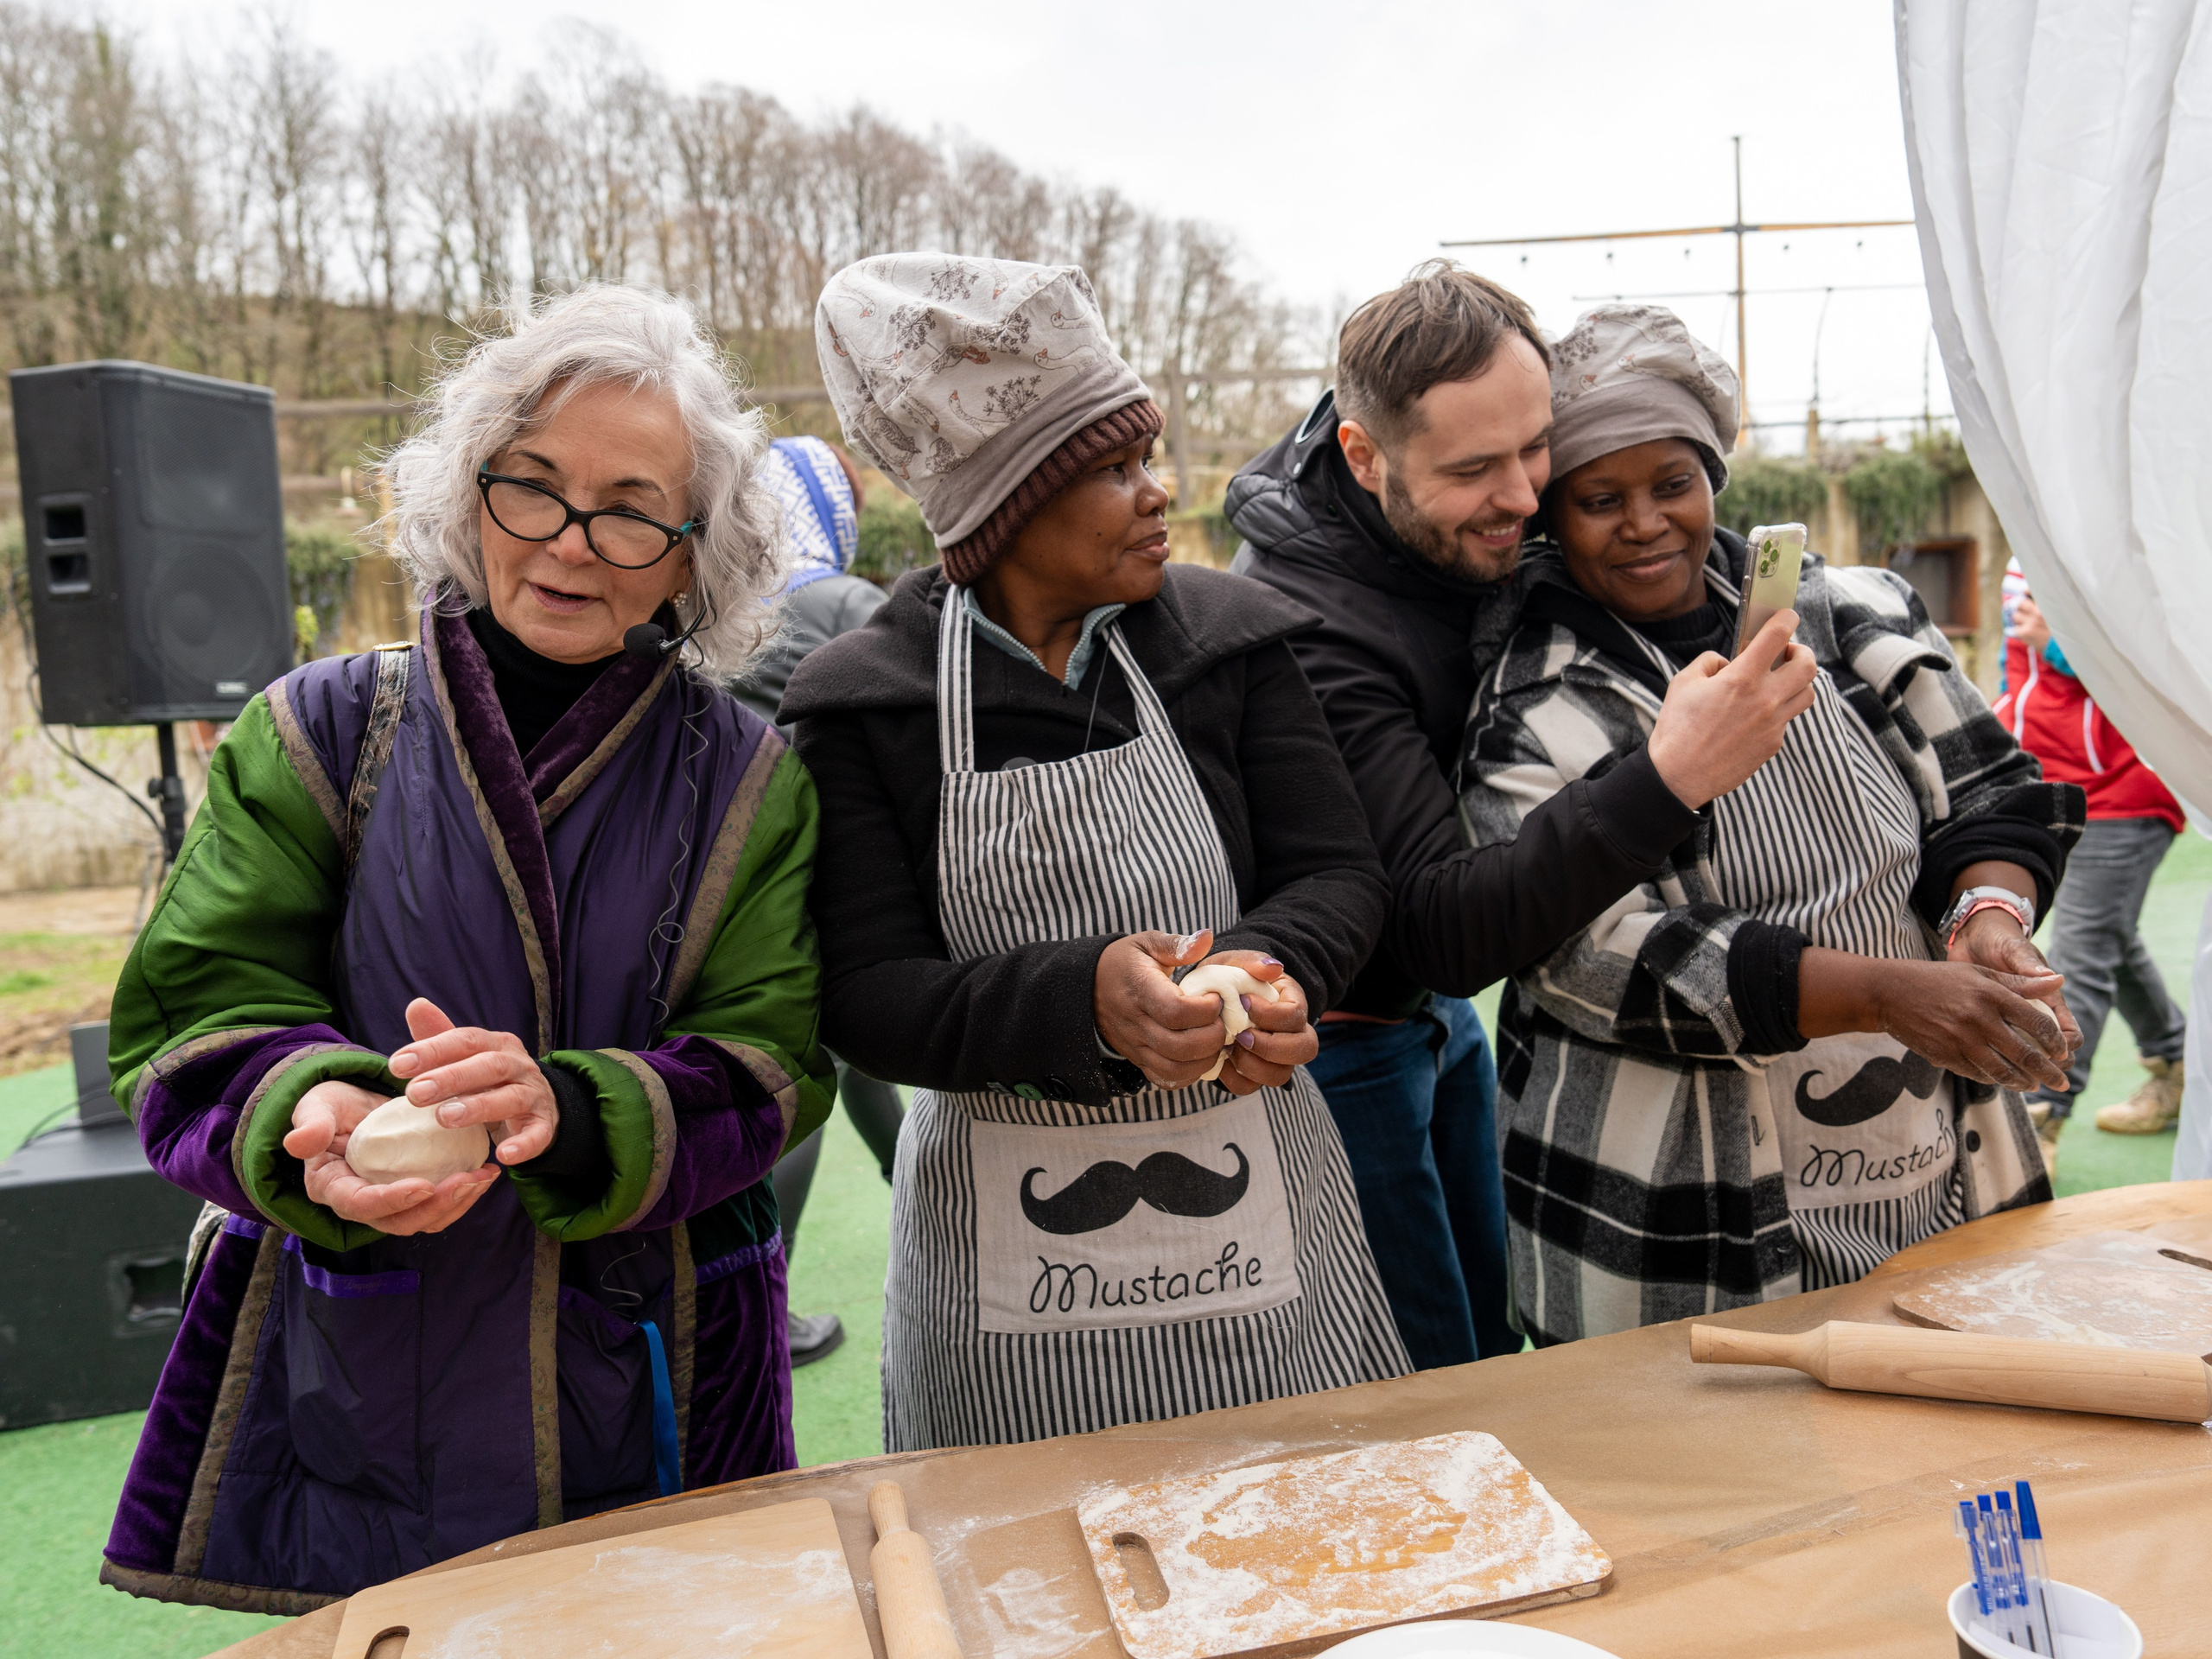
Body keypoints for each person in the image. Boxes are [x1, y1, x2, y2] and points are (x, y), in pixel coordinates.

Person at [99, 285, 833, 1612]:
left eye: (630, 508)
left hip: (648, 1337)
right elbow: (194, 1016)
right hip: (376, 1332)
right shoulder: (320, 729)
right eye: (531, 486)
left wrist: (572, 1105)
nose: (570, 541)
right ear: (469, 491)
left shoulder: (747, 777)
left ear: (690, 551)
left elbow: (772, 1064)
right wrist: (311, 1111)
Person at [784, 253, 1408, 1452]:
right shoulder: (865, 704)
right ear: (1009, 503)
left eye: (1147, 457)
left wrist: (1268, 974)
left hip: (1261, 1238)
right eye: (1116, 469)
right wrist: (1076, 1003)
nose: (1159, 492)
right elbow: (864, 995)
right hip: (1005, 1288)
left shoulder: (1232, 641)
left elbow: (1340, 876)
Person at [1229, 264, 1818, 1367]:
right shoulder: (1306, 629)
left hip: (1440, 1024)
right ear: (1362, 455)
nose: (1521, 496)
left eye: (1534, 448)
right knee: (1424, 1381)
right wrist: (1665, 777)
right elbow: (1442, 930)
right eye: (1473, 469)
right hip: (1340, 1034)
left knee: (1503, 1330)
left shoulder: (1450, 525)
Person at [1460, 304, 2080, 1344]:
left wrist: (1987, 917)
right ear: (1550, 520)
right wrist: (1886, 991)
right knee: (1718, 1488)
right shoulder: (1535, 705)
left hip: (1933, 1137)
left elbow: (1991, 790)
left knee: (1963, 1444)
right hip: (1671, 1209)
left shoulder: (1855, 616)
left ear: (1715, 480)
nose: (1645, 521)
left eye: (1673, 484)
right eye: (1599, 498)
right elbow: (1592, 954)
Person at [732, 434, 906, 1366]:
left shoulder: (723, 602)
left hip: (739, 872)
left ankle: (928, 1206)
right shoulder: (838, 602)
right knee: (816, 1078)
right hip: (831, 869)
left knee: (853, 1064)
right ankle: (768, 1304)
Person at [1993, 561, 2189, 1149]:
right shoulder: (2022, 548)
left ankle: (2042, 1118)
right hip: (2052, 786)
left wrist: (2056, 646)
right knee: (2108, 937)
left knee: (2079, 947)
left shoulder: (2107, 540)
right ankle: (2176, 1064)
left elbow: (2156, 665)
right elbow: (2019, 679)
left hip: (2124, 787)